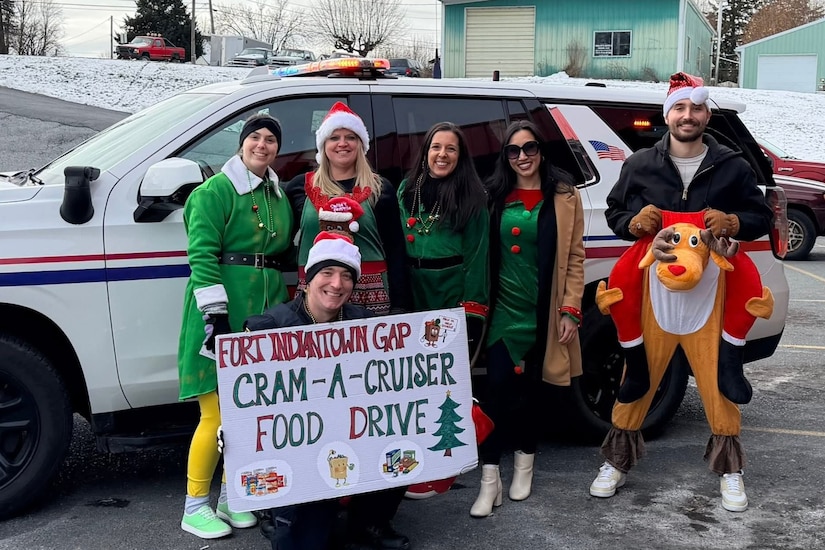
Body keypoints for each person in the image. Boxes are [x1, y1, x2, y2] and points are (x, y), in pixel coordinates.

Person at [590, 72, 773, 512]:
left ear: (706, 113)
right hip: (653, 296)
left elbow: (759, 216)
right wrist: (634, 224)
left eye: (696, 108)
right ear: (667, 114)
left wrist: (733, 223)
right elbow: (616, 212)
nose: (687, 116)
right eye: (679, 108)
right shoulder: (639, 164)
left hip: (712, 298)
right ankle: (616, 461)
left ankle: (731, 471)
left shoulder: (732, 165)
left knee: (717, 385)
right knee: (638, 380)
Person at [243, 231, 411, 550]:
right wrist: (235, 432)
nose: (337, 284)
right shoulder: (270, 327)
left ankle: (369, 522)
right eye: (328, 273)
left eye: (347, 276)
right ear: (307, 277)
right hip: (298, 453)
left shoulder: (364, 324)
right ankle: (281, 515)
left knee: (400, 437)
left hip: (351, 438)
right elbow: (248, 395)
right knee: (304, 543)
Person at [177, 114, 294, 539]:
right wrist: (216, 316)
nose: (262, 145)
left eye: (271, 140)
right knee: (218, 414)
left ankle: (231, 497)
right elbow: (202, 255)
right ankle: (194, 506)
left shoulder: (277, 196)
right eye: (255, 138)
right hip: (220, 315)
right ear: (241, 143)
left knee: (248, 414)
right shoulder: (215, 192)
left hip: (262, 315)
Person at [471, 120, 585, 518]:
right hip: (503, 312)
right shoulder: (492, 195)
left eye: (530, 148)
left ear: (541, 150)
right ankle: (490, 480)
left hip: (544, 312)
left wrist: (571, 309)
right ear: (505, 156)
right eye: (514, 151)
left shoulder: (565, 196)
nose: (522, 157)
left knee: (533, 395)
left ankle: (525, 466)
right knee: (496, 393)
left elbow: (574, 258)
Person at [397, 121, 490, 499]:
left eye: (451, 149)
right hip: (412, 294)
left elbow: (477, 257)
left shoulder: (472, 196)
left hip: (448, 297)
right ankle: (410, 460)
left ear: (460, 156)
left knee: (445, 386)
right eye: (436, 147)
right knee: (410, 383)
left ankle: (444, 465)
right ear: (426, 150)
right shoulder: (407, 190)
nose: (442, 155)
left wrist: (470, 315)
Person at [285, 101, 409, 316]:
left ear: (361, 144)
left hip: (371, 295)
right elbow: (283, 242)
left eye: (350, 137)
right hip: (316, 294)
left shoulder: (380, 189)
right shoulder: (300, 187)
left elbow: (396, 251)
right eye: (334, 138)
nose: (343, 143)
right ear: (323, 145)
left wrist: (400, 305)